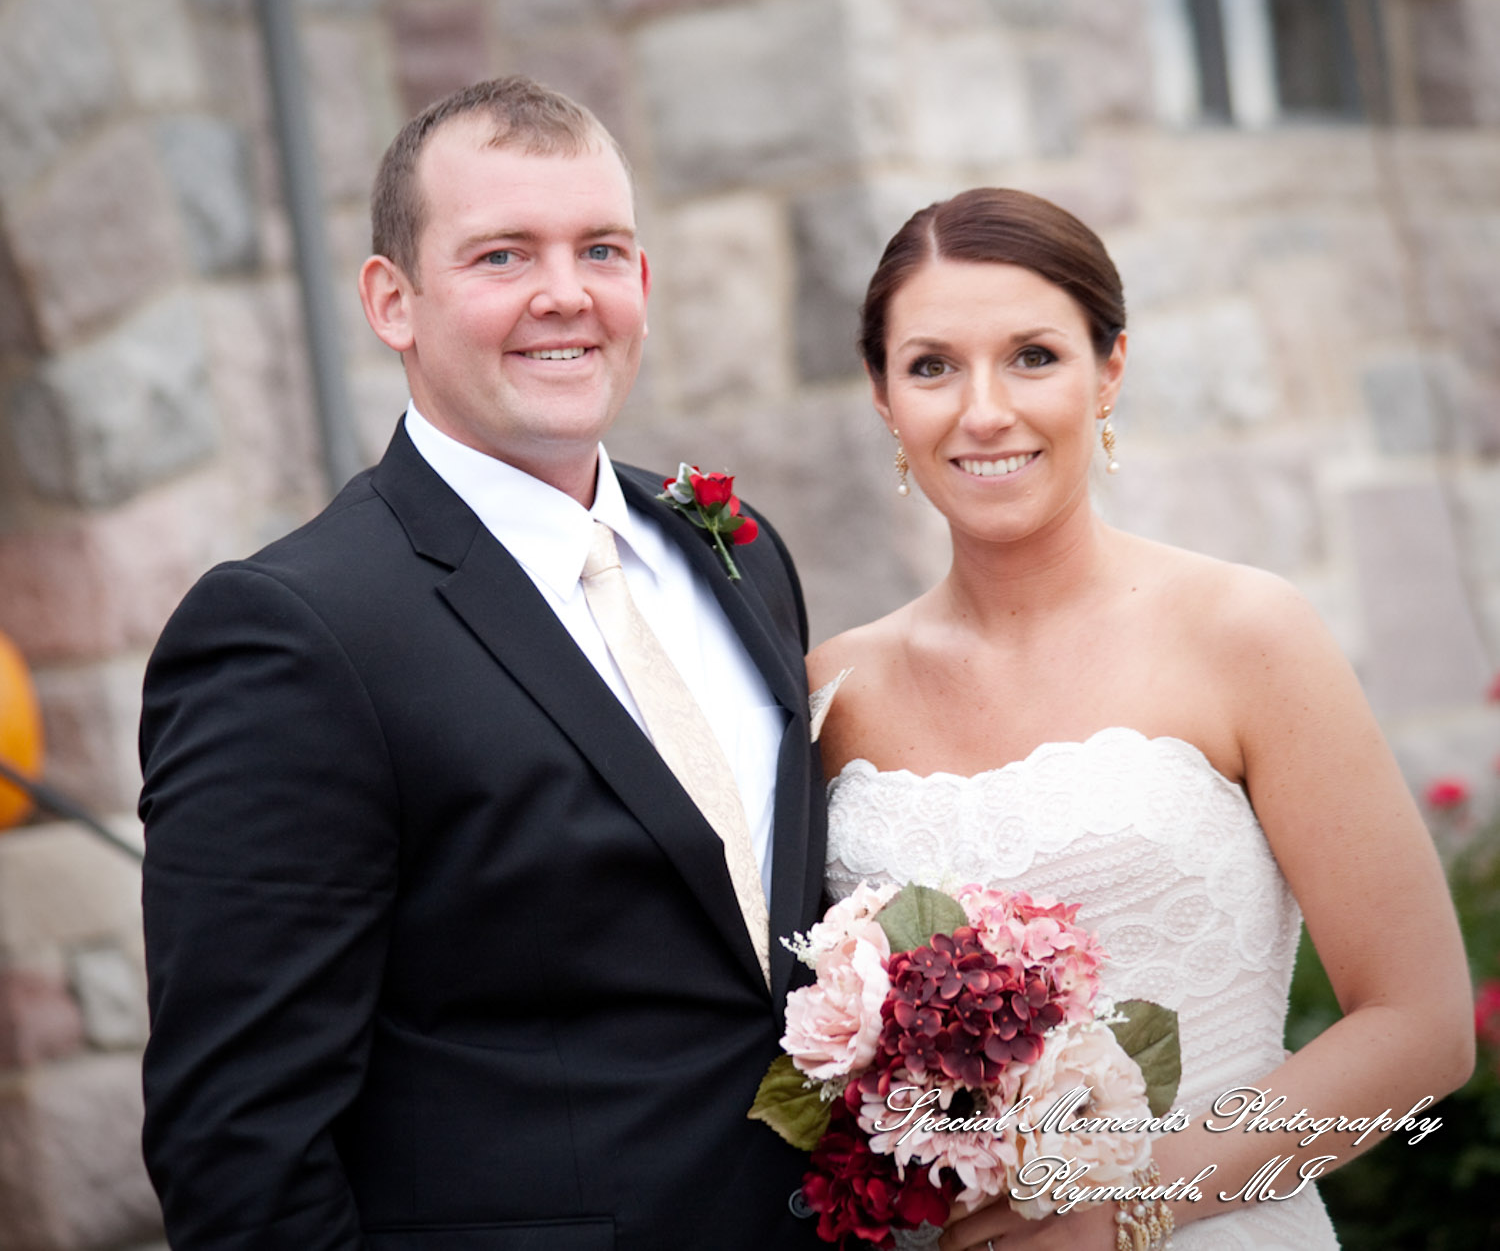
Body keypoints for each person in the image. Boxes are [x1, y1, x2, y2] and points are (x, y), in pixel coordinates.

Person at [138, 77, 826, 1251]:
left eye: (600, 249)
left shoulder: (739, 548)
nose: (566, 294)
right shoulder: (292, 632)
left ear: (643, 282)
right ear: (391, 301)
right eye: (502, 257)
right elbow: (237, 1141)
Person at [806, 187, 1474, 1250]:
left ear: (1108, 370)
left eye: (1033, 355)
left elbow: (1423, 1029)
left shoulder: (1245, 631)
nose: (984, 410)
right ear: (884, 397)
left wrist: (1126, 1206)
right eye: (932, 365)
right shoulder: (833, 691)